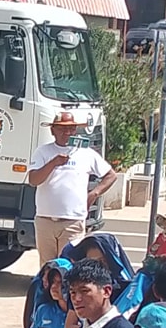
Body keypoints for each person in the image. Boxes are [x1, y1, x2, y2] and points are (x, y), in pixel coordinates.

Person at [28, 111, 117, 263]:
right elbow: (33, 180)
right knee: (47, 267)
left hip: (73, 220)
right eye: (62, 129)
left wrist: (94, 194)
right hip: (45, 220)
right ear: (53, 130)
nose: (67, 133)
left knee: (70, 266)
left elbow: (111, 175)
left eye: (71, 129)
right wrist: (53, 163)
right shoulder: (43, 151)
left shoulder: (86, 153)